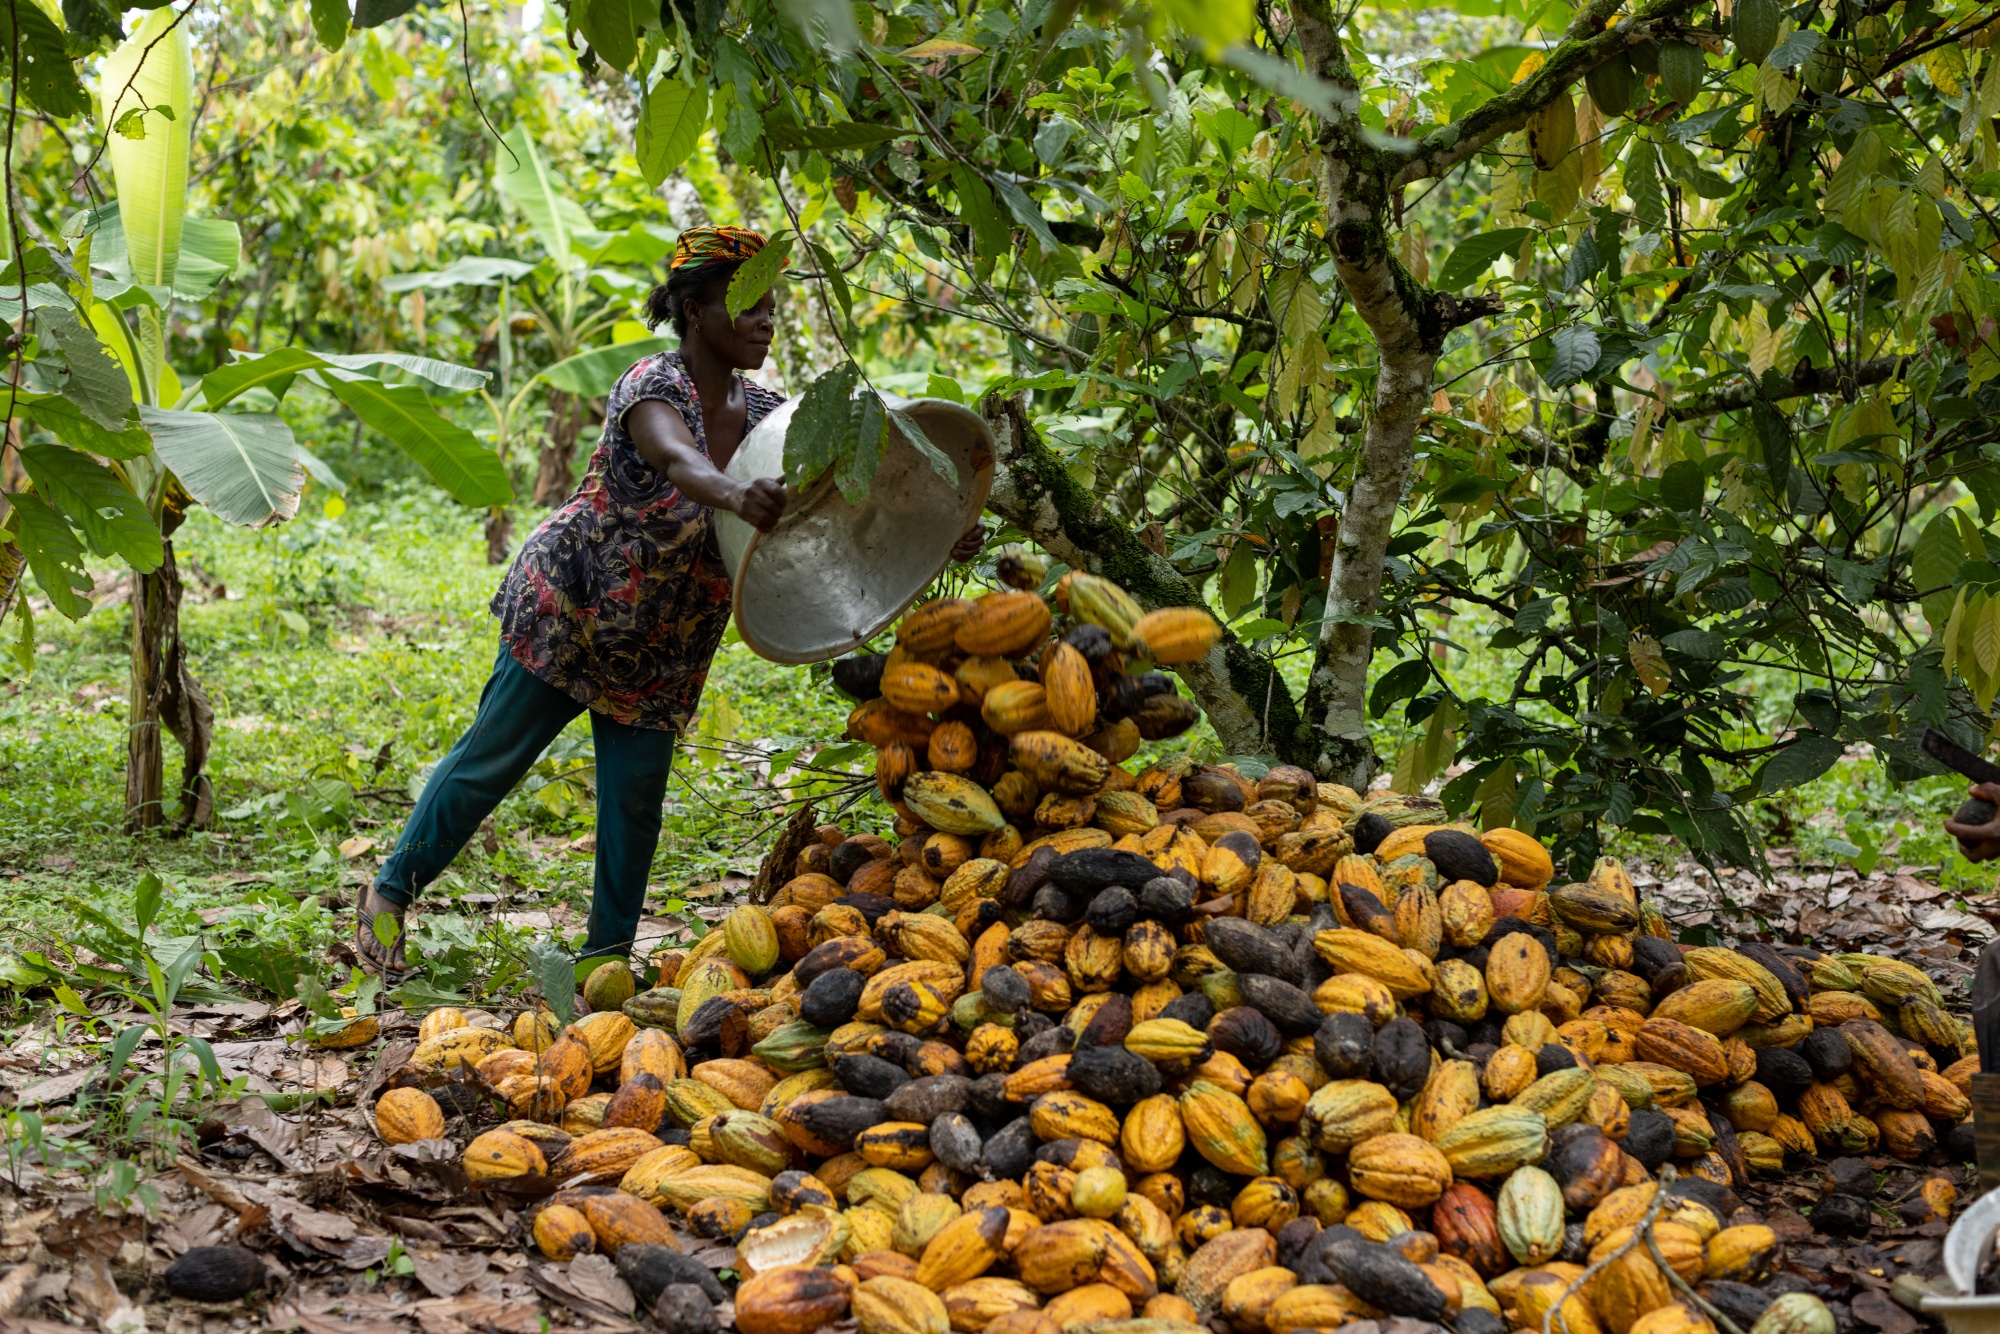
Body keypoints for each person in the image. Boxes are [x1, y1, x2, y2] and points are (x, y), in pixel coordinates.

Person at [355, 225, 982, 980]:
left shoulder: (771, 418)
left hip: (664, 643)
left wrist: (935, 529)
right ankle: (388, 896)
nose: (765, 321)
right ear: (691, 311)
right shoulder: (651, 387)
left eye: (771, 307)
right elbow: (678, 458)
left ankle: (605, 964)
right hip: (573, 607)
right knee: (492, 760)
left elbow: (853, 500)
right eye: (745, 307)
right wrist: (733, 493)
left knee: (634, 804)